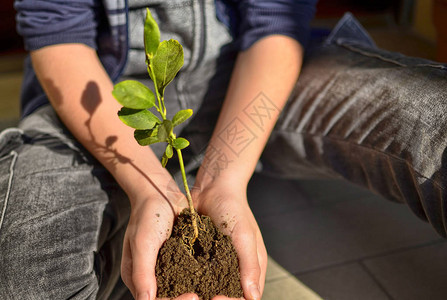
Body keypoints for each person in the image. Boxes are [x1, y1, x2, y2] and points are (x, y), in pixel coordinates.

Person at [1, 1, 446, 300]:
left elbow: (276, 24)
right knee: (25, 266)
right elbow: (59, 36)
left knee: (433, 117)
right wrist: (148, 188)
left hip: (255, 84)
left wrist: (223, 179)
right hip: (100, 105)